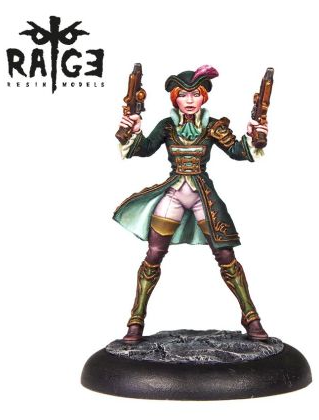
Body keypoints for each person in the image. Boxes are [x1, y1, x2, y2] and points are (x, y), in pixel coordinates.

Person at [114, 65, 269, 342]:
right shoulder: (167, 126)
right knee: (154, 254)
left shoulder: (212, 126)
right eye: (183, 95)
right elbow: (145, 149)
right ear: (175, 98)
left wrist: (254, 135)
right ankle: (136, 321)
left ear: (203, 97)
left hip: (202, 195)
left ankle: (251, 318)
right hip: (174, 193)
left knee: (225, 256)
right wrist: (133, 131)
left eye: (195, 94)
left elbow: (238, 152)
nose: (189, 100)